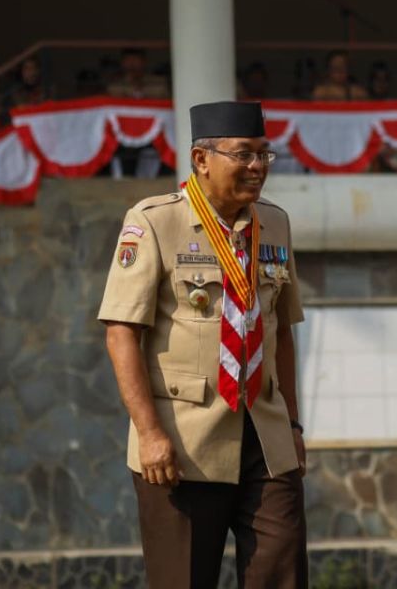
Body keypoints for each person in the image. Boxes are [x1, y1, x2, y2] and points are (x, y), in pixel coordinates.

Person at [99, 101, 308, 588]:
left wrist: (294, 424)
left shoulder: (274, 224)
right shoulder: (154, 221)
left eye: (264, 155)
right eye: (243, 155)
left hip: (267, 435)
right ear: (201, 159)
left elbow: (282, 332)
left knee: (283, 574)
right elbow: (121, 333)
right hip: (183, 444)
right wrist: (149, 434)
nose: (257, 167)